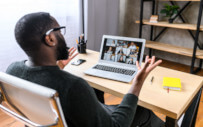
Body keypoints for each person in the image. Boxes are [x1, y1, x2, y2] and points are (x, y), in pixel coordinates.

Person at [6, 12, 164, 127]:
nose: (62, 35)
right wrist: (137, 83)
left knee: (96, 92)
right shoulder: (72, 86)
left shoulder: (13, 70)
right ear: (50, 39)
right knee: (144, 111)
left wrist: (59, 67)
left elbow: (45, 79)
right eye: (59, 31)